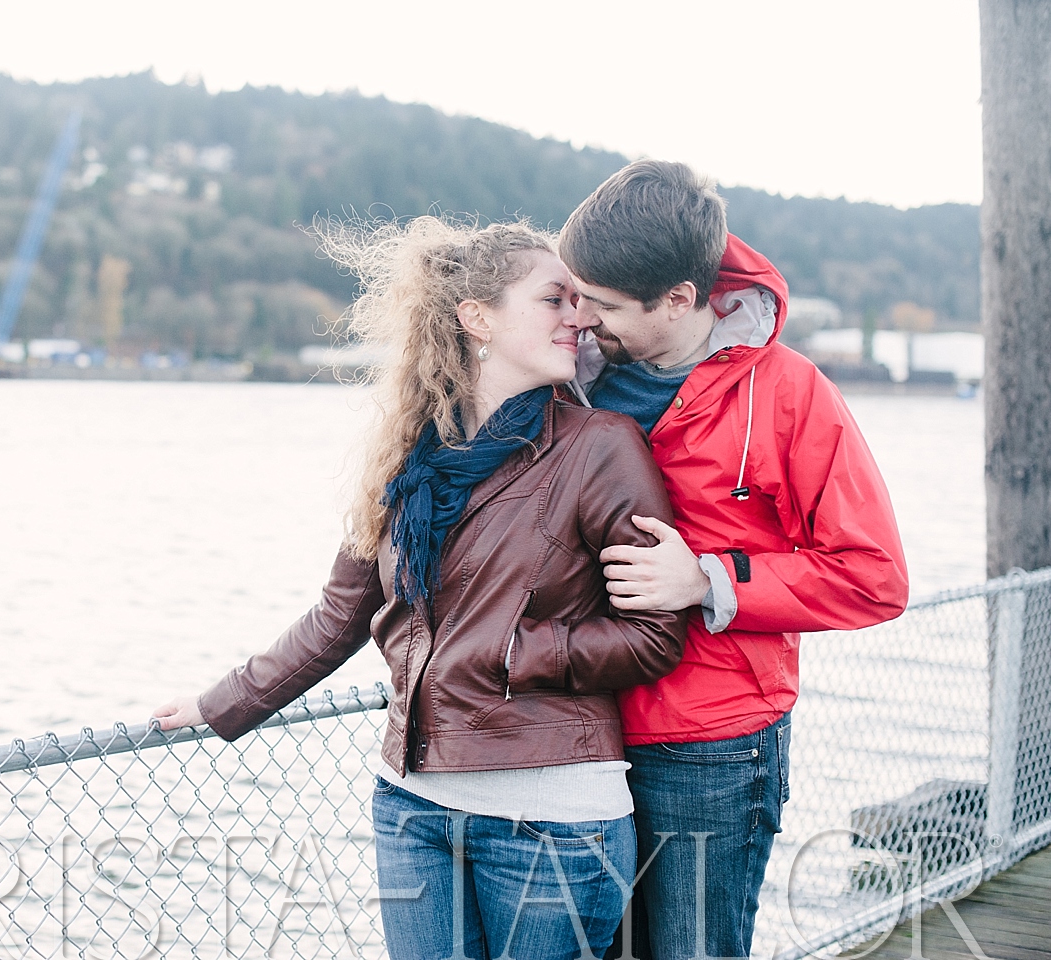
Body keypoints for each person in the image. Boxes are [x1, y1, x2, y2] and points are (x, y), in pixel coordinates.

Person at [154, 217, 690, 960]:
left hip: (555, 822)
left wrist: (514, 653)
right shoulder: (410, 460)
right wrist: (220, 703)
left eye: (579, 300)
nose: (580, 316)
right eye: (553, 299)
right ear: (477, 319)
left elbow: (657, 635)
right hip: (412, 810)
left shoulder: (601, 447)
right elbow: (340, 617)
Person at [557, 159, 910, 960]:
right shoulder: (565, 379)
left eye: (604, 306)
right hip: (571, 732)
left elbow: (875, 577)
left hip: (708, 747)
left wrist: (706, 580)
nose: (582, 319)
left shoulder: (791, 393)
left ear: (679, 299)